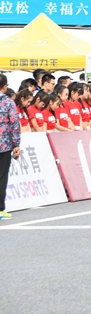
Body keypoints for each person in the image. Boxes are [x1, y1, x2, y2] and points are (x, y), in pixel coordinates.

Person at [0, 74, 21, 220]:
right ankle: (0, 209)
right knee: (1, 177)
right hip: (4, 145)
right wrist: (16, 144)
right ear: (5, 86)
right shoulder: (7, 102)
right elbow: (14, 124)